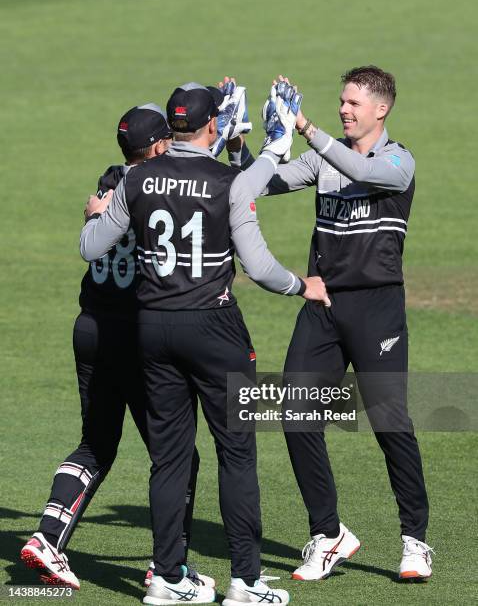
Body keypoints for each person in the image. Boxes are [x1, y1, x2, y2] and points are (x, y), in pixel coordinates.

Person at [80, 81, 330, 606]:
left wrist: (97, 212)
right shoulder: (228, 182)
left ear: (173, 129)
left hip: (152, 329)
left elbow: (91, 246)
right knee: (237, 454)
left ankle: (167, 579)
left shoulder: (138, 177)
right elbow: (259, 268)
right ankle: (246, 582)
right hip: (214, 330)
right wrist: (300, 286)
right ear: (214, 127)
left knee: (168, 459)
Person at [229, 67, 432, 581]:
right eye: (341, 101)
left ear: (381, 109)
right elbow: (264, 183)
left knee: (389, 422)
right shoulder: (325, 158)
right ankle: (328, 534)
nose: (345, 109)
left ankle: (415, 541)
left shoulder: (397, 160)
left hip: (377, 309)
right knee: (296, 415)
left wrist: (307, 129)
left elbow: (365, 174)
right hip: (322, 307)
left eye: (354, 103)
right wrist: (238, 147)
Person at [20, 104, 206, 590]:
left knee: (96, 444)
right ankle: (169, 567)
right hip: (136, 336)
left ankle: (46, 539)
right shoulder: (156, 187)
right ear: (161, 144)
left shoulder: (109, 180)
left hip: (90, 329)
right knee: (177, 455)